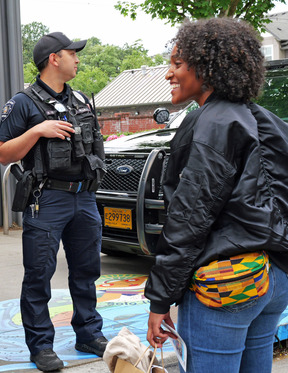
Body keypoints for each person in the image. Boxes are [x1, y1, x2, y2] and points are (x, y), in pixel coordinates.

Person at [145, 18, 288, 373]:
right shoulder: (270, 121)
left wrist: (160, 300)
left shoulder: (210, 122)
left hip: (230, 282)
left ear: (207, 68)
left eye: (177, 64)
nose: (169, 74)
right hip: (275, 279)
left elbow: (189, 217)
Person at [0, 32, 107, 372]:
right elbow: (2, 153)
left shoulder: (81, 100)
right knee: (39, 274)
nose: (78, 58)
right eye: (72, 53)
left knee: (87, 271)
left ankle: (89, 333)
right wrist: (36, 131)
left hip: (84, 197)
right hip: (49, 198)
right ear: (54, 58)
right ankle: (41, 345)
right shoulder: (23, 103)